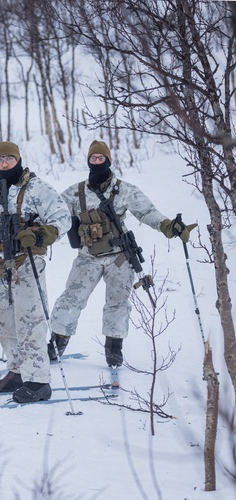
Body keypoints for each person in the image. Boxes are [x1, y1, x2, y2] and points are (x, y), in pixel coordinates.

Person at [48, 140, 196, 367]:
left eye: (101, 158)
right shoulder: (75, 192)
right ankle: (58, 341)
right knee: (71, 298)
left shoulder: (124, 190)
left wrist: (168, 226)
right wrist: (37, 230)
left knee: (117, 302)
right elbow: (55, 213)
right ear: (88, 161)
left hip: (119, 258)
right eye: (93, 158)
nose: (97, 162)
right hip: (88, 257)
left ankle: (114, 347)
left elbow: (147, 212)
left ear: (108, 160)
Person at [0, 141, 70, 403]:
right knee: (6, 325)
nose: (5, 164)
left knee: (30, 324)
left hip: (26, 263)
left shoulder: (37, 189)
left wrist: (41, 233)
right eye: (0, 160)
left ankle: (38, 380)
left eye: (9, 159)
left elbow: (63, 217)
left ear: (18, 160)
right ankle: (17, 371)